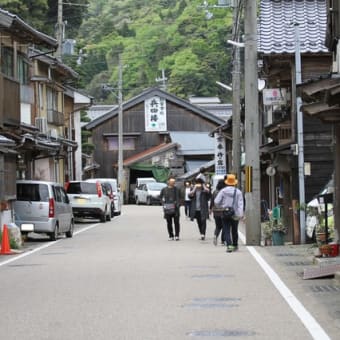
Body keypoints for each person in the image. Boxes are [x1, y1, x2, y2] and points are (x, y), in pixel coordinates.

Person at [214, 174, 244, 252]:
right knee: (234, 230)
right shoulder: (238, 192)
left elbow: (216, 201)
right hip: (235, 214)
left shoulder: (223, 191)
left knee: (226, 230)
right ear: (235, 183)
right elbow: (240, 204)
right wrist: (240, 215)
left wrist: (221, 206)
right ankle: (235, 245)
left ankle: (229, 246)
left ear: (226, 182)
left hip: (225, 213)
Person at [160, 176, 181, 241]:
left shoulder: (177, 189)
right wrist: (163, 204)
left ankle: (177, 235)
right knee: (169, 223)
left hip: (176, 208)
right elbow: (160, 197)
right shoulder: (164, 189)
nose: (172, 182)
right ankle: (171, 235)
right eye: (171, 181)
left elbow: (179, 198)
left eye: (173, 181)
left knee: (176, 222)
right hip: (167, 208)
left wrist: (177, 204)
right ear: (168, 181)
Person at [210, 179, 226, 246]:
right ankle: (223, 240)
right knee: (224, 226)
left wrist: (210, 209)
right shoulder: (225, 192)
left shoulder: (215, 192)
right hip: (223, 211)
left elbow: (212, 201)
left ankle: (215, 236)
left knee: (218, 226)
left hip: (216, 211)